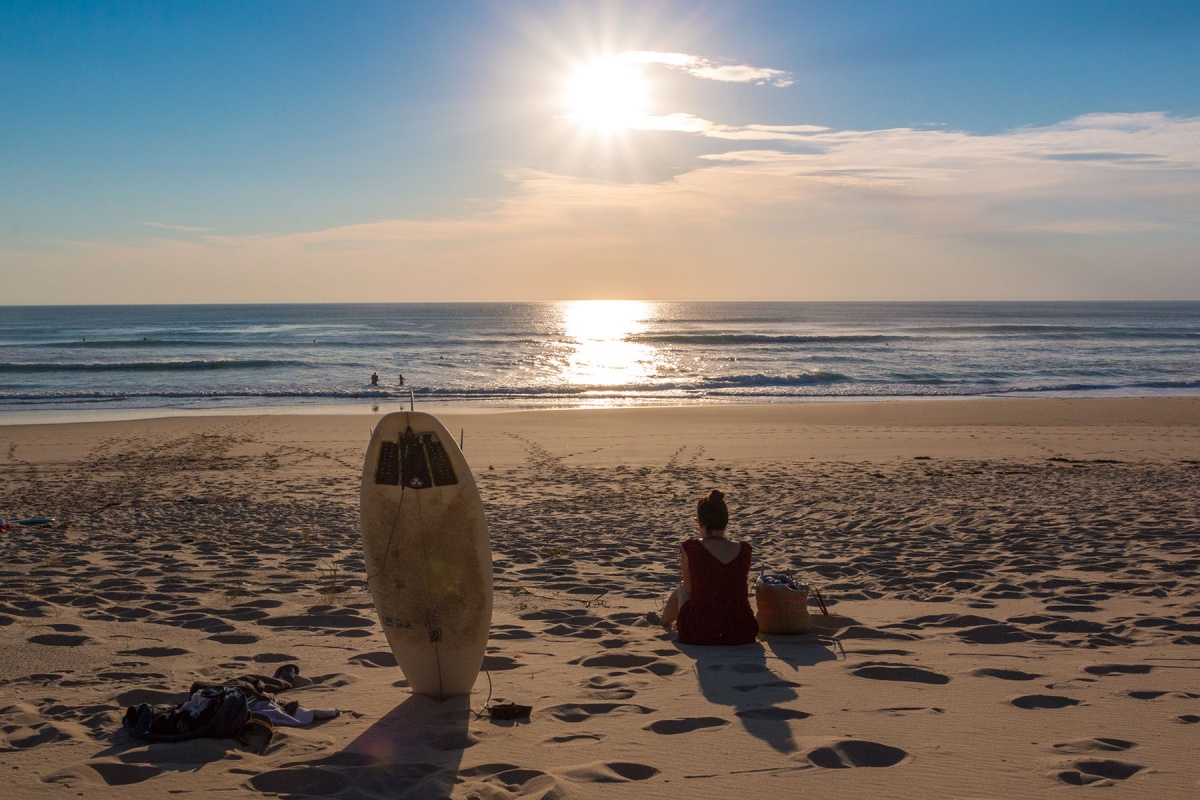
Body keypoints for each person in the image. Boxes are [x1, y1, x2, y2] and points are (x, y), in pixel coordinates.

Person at [653, 489, 758, 645]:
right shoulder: (744, 549)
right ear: (726, 521)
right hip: (743, 630)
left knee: (681, 590)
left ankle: (663, 623)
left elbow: (688, 589)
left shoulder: (690, 547)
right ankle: (663, 621)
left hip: (701, 631)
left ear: (700, 522)